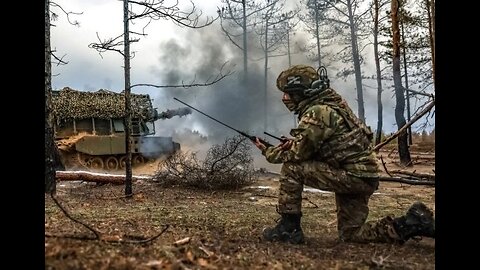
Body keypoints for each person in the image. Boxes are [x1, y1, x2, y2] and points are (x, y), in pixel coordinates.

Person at [253, 64, 435, 244]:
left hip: (352, 176)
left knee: (292, 168)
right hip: (362, 176)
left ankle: (289, 229)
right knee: (352, 234)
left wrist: (267, 150)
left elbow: (296, 155)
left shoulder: (318, 111)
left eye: (288, 93)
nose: (284, 98)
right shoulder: (334, 105)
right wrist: (296, 144)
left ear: (301, 93)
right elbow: (327, 144)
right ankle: (411, 223)